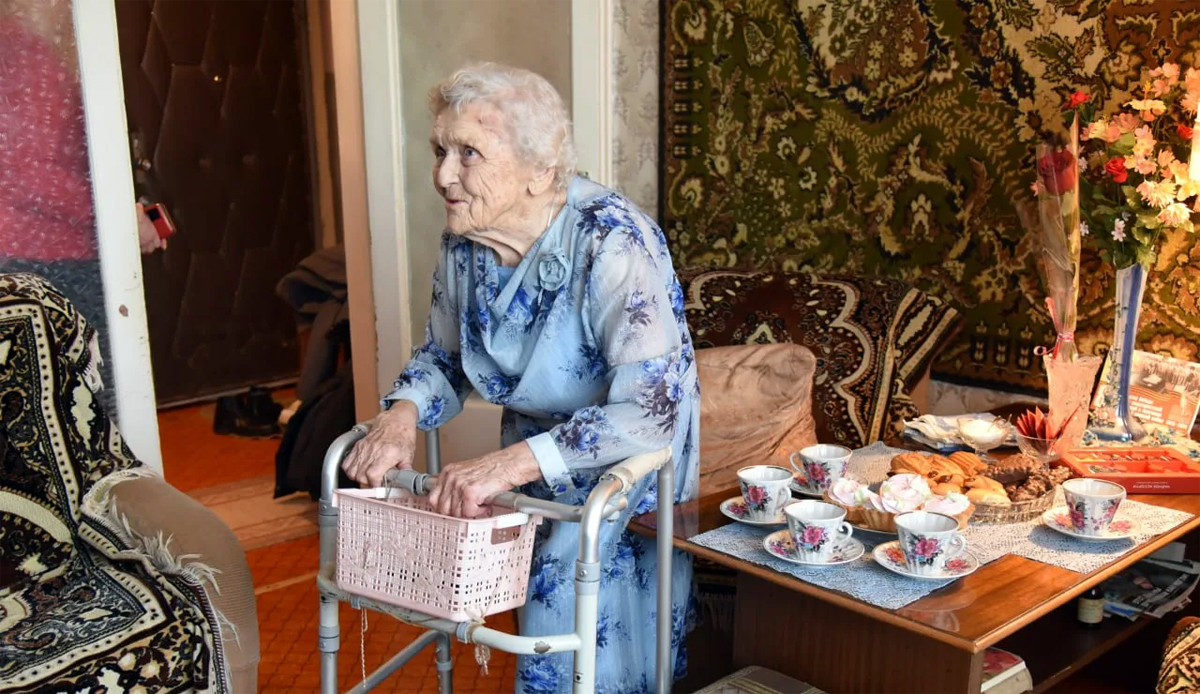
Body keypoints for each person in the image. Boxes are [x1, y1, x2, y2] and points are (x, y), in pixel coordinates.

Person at [342, 63, 699, 693]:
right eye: (440, 150)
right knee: (537, 611)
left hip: (626, 453)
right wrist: (398, 418)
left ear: (541, 170)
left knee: (583, 622)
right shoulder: (464, 241)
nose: (443, 175)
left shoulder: (612, 242)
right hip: (532, 454)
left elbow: (649, 410)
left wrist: (503, 466)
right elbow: (444, 357)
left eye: (469, 153)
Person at [0, 7, 166, 416]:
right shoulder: (24, 52)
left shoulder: (22, 47)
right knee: (89, 407)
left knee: (39, 405)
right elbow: (27, 172)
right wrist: (120, 218)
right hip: (50, 263)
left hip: (28, 256)